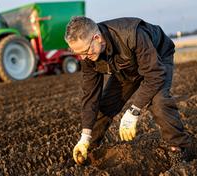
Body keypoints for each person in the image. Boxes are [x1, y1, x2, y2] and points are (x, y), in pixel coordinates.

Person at [64, 16, 197, 165]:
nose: (83, 57)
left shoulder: (132, 34)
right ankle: (88, 150)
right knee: (104, 107)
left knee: (159, 103)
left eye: (85, 51)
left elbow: (154, 74)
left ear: (97, 37)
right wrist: (85, 136)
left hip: (157, 60)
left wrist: (134, 110)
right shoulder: (87, 56)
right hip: (126, 68)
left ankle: (182, 148)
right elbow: (90, 96)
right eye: (78, 53)